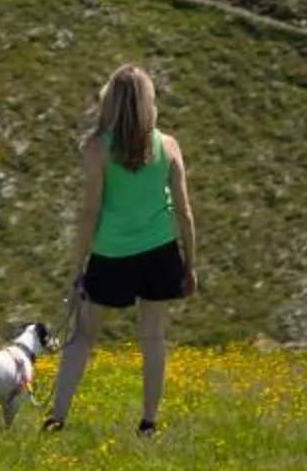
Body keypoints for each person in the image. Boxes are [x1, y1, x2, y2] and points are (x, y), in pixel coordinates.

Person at [42, 61, 197, 436]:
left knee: (83, 336)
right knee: (153, 337)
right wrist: (189, 265)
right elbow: (185, 212)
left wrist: (77, 268)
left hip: (112, 254)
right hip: (161, 252)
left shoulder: (97, 149)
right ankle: (148, 423)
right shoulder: (168, 146)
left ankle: (57, 418)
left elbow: (89, 212)